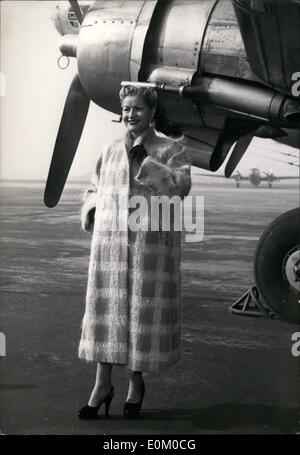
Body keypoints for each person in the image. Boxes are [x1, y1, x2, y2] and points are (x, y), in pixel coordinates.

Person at [78, 84, 191, 419]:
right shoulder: (110, 149)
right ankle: (102, 385)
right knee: (107, 309)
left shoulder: (171, 149)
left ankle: (136, 383)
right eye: (126, 109)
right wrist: (94, 209)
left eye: (138, 108)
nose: (130, 114)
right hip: (110, 247)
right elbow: (93, 186)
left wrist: (149, 163)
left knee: (141, 315)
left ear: (153, 112)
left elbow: (180, 188)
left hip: (150, 248)